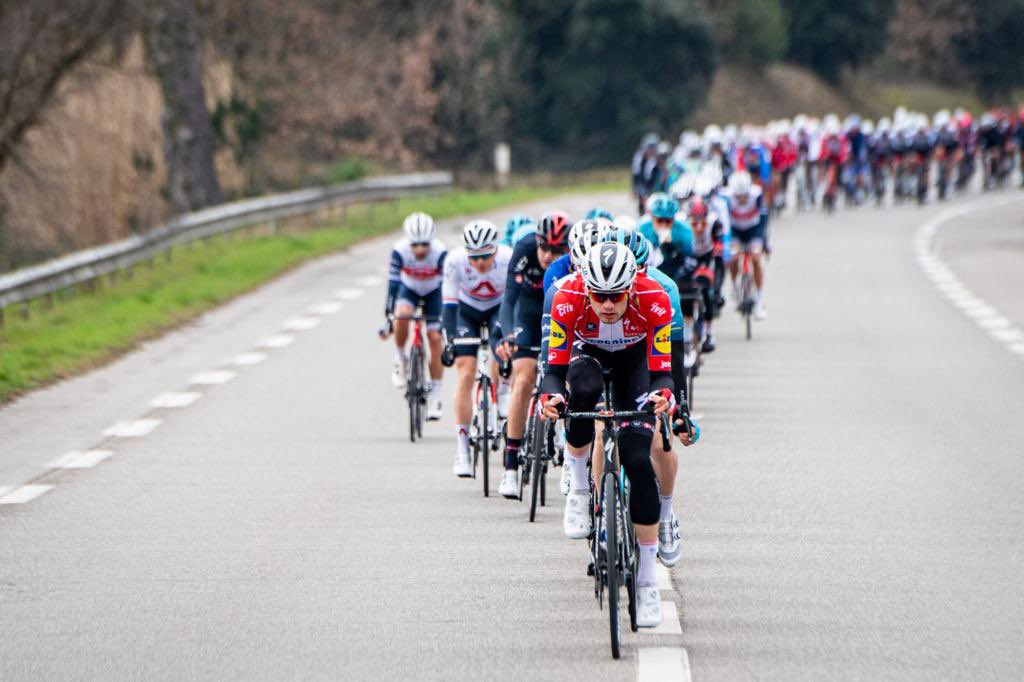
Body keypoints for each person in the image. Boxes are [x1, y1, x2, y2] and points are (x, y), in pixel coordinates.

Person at [540, 242, 672, 627]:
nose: (609, 304)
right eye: (599, 295)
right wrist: (551, 396)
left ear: (632, 287)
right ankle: (580, 489)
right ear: (586, 289)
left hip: (636, 362)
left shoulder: (654, 298)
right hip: (588, 355)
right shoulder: (566, 298)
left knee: (636, 459)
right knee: (580, 393)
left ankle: (647, 581)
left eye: (616, 295)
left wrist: (664, 395)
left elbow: (663, 370)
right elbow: (553, 369)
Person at [496, 212, 570, 498]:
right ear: (537, 242)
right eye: (545, 248)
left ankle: (568, 447)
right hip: (529, 314)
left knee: (570, 379)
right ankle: (511, 466)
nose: (549, 256)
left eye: (557, 250)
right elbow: (509, 297)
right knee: (524, 378)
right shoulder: (524, 250)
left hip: (560, 316)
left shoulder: (569, 261)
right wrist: (506, 334)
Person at [440, 220, 513, 477]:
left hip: (498, 309)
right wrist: (449, 341)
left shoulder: (508, 258)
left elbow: (514, 302)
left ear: (495, 250)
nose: (480, 262)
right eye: (474, 257)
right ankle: (462, 449)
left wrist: (508, 336)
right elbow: (448, 307)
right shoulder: (454, 261)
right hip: (466, 311)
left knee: (502, 354)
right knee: (466, 372)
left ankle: (502, 391)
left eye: (485, 256)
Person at [380, 212, 447, 419]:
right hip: (408, 289)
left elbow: (448, 288)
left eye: (424, 244)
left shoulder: (441, 252)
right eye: (415, 245)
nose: (419, 250)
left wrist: (446, 319)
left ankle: (436, 393)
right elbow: (392, 285)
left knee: (435, 338)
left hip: (434, 292)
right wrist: (389, 317)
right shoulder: (399, 250)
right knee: (402, 315)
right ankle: (400, 357)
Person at [725, 170, 768, 320]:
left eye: (745, 196)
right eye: (739, 196)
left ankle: (760, 299)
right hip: (735, 229)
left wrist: (765, 244)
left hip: (753, 229)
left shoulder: (757, 195)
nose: (742, 199)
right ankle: (735, 287)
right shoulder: (727, 196)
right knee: (733, 256)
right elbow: (724, 222)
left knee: (756, 258)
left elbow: (764, 221)